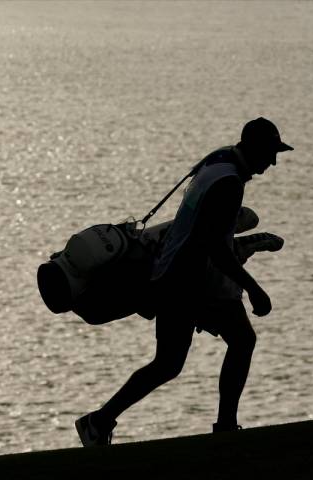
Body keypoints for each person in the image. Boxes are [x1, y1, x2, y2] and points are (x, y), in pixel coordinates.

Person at [75, 117, 293, 446]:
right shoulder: (229, 183)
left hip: (174, 274)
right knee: (239, 340)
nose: (273, 162)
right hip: (190, 280)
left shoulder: (219, 159)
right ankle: (225, 427)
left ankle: (99, 421)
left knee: (169, 363)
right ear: (253, 149)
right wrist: (253, 288)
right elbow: (215, 247)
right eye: (269, 153)